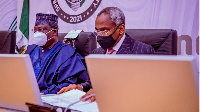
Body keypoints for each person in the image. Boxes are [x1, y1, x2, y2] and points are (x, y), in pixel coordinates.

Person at [58, 7, 155, 102]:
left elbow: (145, 90)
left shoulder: (143, 51)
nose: (99, 35)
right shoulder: (97, 53)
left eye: (104, 30)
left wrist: (105, 93)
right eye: (97, 30)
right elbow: (93, 84)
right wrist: (79, 87)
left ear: (121, 29)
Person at [25, 13, 89, 94]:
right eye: (35, 30)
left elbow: (67, 83)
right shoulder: (31, 50)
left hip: (49, 97)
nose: (37, 33)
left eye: (41, 29)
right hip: (25, 93)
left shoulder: (66, 53)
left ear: (54, 31)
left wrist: (46, 93)